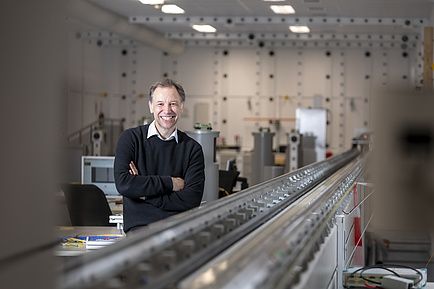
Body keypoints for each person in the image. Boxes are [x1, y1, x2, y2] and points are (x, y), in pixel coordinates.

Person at [114, 78, 205, 233]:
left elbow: (191, 199)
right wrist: (171, 183)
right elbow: (124, 184)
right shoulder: (130, 139)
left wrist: (145, 194)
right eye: (160, 104)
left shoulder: (192, 149)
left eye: (173, 103)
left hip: (178, 231)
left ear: (182, 106)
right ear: (151, 107)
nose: (167, 110)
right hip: (140, 231)